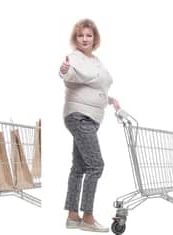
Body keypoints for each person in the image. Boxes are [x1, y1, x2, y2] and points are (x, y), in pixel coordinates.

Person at [59, 18, 119, 233]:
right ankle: (88, 217)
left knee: (79, 167)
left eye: (88, 35)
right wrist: (65, 70)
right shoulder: (74, 58)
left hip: (91, 116)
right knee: (96, 165)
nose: (84, 39)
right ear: (75, 39)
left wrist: (108, 99)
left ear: (95, 38)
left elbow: (97, 85)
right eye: (80, 35)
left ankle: (73, 216)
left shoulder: (95, 60)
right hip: (79, 116)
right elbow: (69, 75)